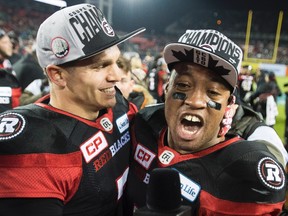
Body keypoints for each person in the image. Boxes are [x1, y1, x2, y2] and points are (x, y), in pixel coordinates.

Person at [0, 3, 145, 216]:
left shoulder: (117, 103)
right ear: (57, 75)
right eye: (100, 66)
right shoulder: (34, 141)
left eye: (116, 61)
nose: (116, 76)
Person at [125, 29, 286, 215]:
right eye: (183, 85)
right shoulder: (143, 125)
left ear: (229, 106)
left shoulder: (247, 169)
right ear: (167, 89)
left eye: (213, 92)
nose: (195, 101)